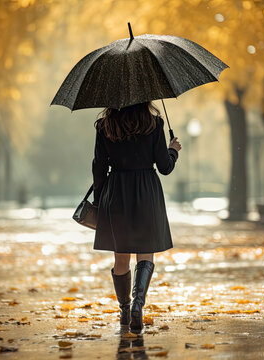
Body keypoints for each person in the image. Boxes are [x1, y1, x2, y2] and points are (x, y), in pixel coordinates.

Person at [92, 101, 181, 332]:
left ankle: (125, 309)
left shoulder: (105, 126)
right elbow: (164, 167)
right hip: (146, 192)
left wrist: (101, 199)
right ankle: (138, 306)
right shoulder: (153, 124)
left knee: (121, 258)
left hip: (117, 193)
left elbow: (99, 167)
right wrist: (173, 150)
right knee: (145, 253)